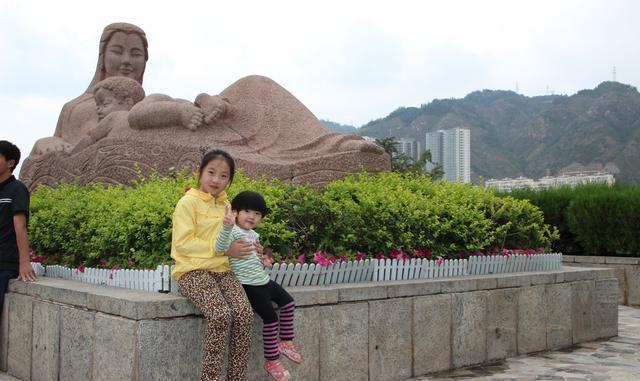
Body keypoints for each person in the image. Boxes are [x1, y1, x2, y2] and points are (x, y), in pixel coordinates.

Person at [170, 149, 257, 381]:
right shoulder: (187, 203)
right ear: (199, 173)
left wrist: (251, 247)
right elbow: (183, 243)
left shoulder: (226, 205)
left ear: (229, 180)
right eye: (211, 173)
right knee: (220, 314)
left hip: (222, 269)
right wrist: (222, 249)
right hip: (192, 271)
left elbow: (236, 233)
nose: (216, 180)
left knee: (244, 314)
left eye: (224, 176)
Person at [215, 191, 302, 381]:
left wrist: (263, 260)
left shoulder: (253, 234)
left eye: (257, 214)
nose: (252, 216)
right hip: (248, 285)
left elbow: (252, 257)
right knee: (270, 319)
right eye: (247, 211)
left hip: (263, 280)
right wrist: (226, 226)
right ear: (236, 212)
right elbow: (219, 248)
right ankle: (272, 361)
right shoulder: (232, 230)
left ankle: (286, 342)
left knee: (288, 303)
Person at [0, 141, 37, 315]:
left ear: (10, 163)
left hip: (5, 263)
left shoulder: (17, 189)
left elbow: (20, 226)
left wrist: (24, 262)